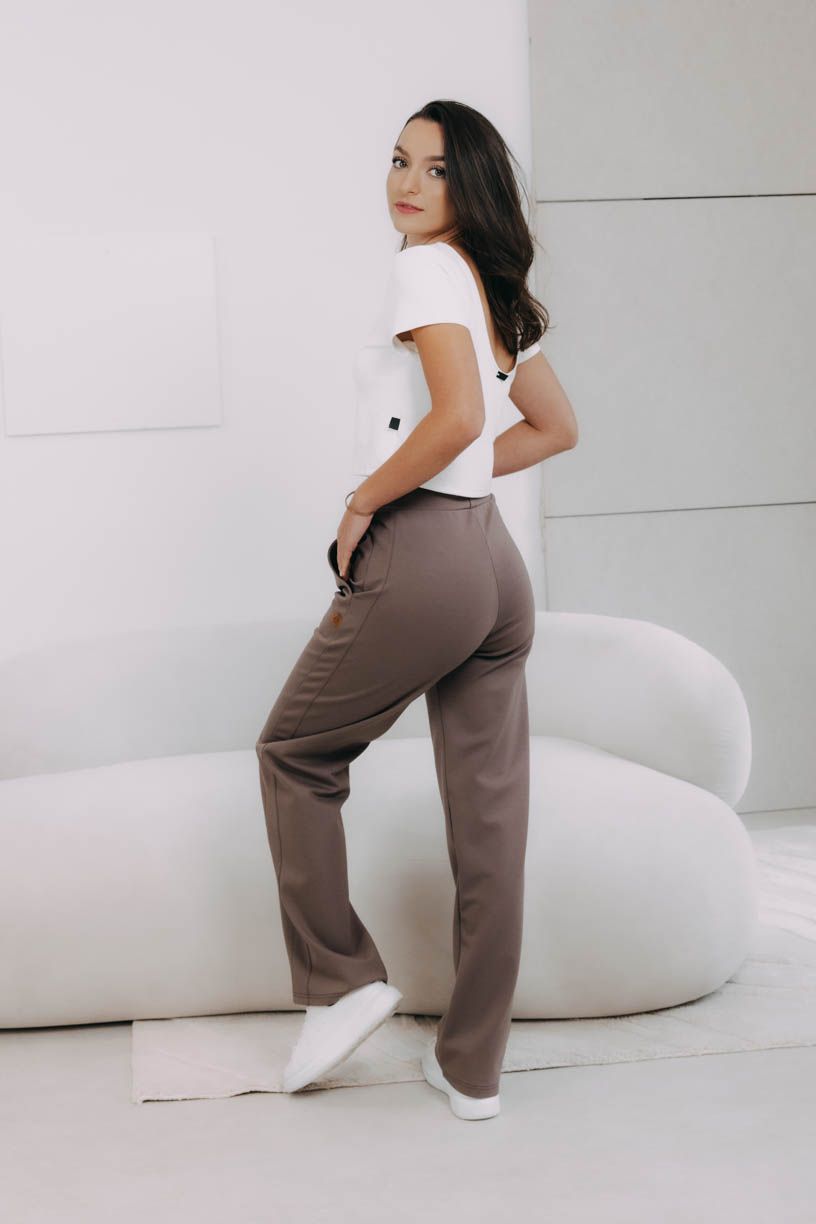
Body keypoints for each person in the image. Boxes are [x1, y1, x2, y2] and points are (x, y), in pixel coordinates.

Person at [255, 100, 578, 1120]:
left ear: (467, 184)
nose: (407, 183)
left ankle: (341, 981)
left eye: (434, 169)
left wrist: (365, 501)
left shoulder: (425, 269)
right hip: (495, 565)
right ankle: (473, 1068)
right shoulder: (492, 284)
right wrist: (464, 476)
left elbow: (457, 416)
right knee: (490, 821)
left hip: (427, 553)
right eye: (399, 160)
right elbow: (552, 427)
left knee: (293, 754)